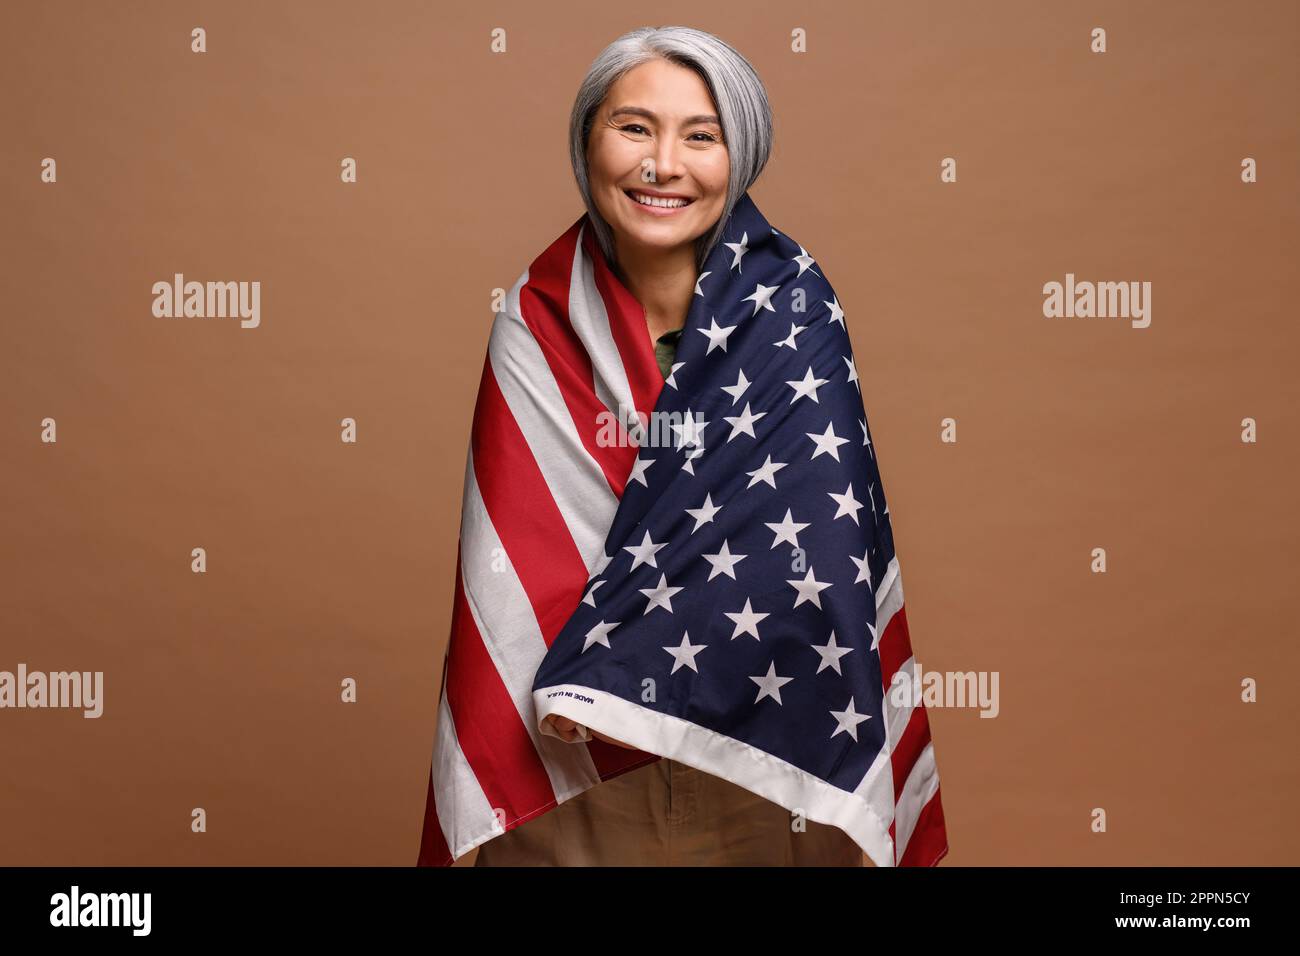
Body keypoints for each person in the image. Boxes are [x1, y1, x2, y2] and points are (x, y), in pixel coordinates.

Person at [471, 26, 868, 867]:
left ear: (742, 153)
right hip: (574, 761)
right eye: (634, 128)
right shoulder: (535, 320)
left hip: (763, 753)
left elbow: (811, 561)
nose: (663, 165)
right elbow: (514, 556)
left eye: (701, 135)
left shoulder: (792, 315)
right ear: (588, 142)